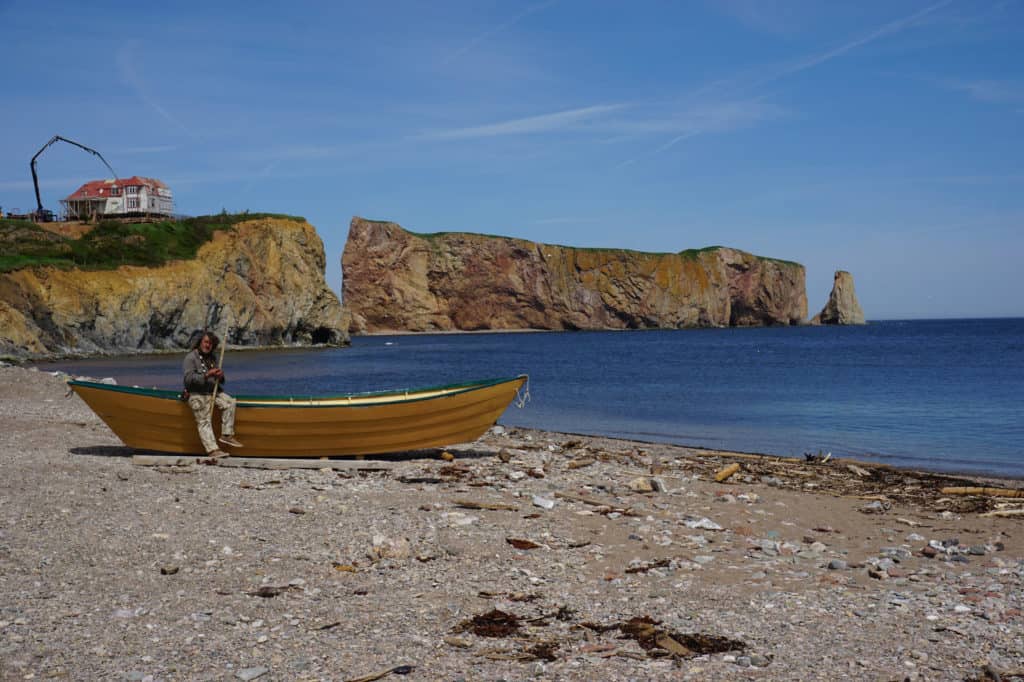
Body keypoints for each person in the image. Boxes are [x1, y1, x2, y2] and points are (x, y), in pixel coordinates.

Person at [183, 331, 243, 457]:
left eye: (210, 343)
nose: (208, 345)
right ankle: (212, 450)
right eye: (205, 342)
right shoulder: (191, 358)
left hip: (212, 392)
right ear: (200, 342)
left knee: (229, 402)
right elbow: (188, 380)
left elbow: (220, 381)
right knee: (204, 420)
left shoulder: (212, 358)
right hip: (197, 394)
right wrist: (207, 374)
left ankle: (226, 434)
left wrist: (220, 376)